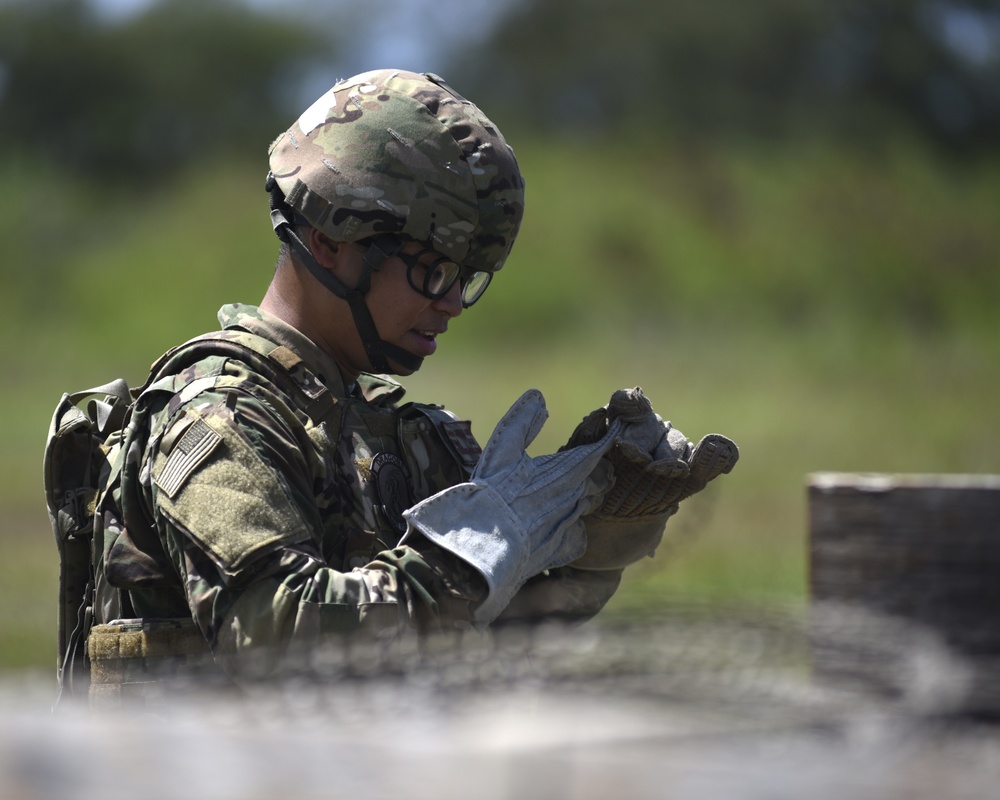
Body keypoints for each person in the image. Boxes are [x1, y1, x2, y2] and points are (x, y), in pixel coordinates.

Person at [86, 69, 737, 695]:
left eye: (467, 277)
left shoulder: (395, 433)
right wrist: (471, 551)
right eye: (431, 268)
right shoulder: (218, 420)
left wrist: (599, 535)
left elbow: (494, 632)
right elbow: (276, 632)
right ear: (329, 237)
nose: (451, 302)